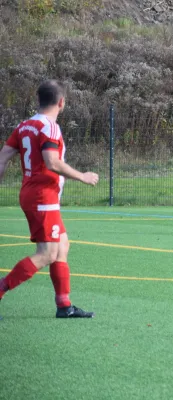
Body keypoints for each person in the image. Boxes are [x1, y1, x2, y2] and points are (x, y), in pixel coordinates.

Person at [0, 80, 99, 320]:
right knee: (47, 253)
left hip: (33, 194)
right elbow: (52, 162)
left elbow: (2, 158)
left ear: (38, 100)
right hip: (43, 196)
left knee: (62, 246)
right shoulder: (50, 127)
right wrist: (82, 176)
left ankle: (64, 305)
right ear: (61, 102)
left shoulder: (24, 126)